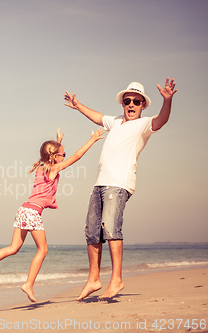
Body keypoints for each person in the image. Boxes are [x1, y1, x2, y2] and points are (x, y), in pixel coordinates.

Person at [64, 78, 178, 300]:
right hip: (100, 183)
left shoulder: (143, 124)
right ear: (123, 103)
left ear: (143, 105)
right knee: (91, 231)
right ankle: (94, 279)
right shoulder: (115, 121)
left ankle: (116, 279)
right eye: (128, 101)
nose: (132, 104)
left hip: (119, 183)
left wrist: (168, 101)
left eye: (137, 101)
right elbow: (97, 116)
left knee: (111, 227)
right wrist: (78, 106)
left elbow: (162, 120)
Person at [0, 127, 105, 302]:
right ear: (54, 157)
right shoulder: (53, 169)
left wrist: (58, 141)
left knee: (13, 248)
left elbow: (53, 155)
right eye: (62, 155)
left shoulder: (41, 168)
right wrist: (92, 140)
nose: (64, 157)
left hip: (23, 209)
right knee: (43, 250)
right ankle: (28, 283)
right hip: (33, 212)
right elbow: (77, 157)